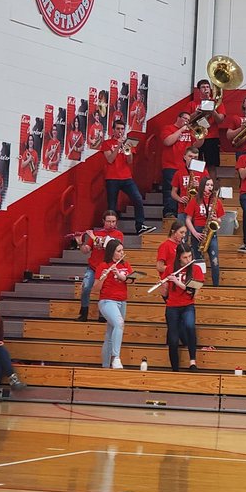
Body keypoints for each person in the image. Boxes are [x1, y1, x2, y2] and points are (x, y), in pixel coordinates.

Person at [102, 120, 154, 235]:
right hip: (112, 178)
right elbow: (110, 159)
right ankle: (111, 230)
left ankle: (140, 226)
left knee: (138, 198)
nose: (120, 131)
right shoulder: (107, 143)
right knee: (112, 205)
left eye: (122, 129)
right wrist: (118, 145)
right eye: (118, 129)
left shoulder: (128, 142)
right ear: (113, 130)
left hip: (126, 177)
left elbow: (130, 161)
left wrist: (128, 149)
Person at [75, 210, 123, 321]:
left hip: (108, 267)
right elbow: (86, 250)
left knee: (105, 291)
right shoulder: (97, 233)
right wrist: (80, 243)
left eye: (113, 221)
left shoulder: (118, 235)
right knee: (86, 287)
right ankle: (84, 312)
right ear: (103, 221)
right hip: (93, 266)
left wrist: (93, 237)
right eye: (108, 221)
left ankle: (103, 315)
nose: (111, 224)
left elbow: (110, 246)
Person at [162, 245, 203, 372]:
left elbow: (192, 291)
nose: (188, 259)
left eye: (190, 256)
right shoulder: (170, 269)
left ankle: (192, 362)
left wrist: (176, 281)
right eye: (185, 257)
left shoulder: (196, 269)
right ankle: (175, 370)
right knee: (173, 340)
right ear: (179, 258)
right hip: (172, 307)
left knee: (190, 326)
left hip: (188, 305)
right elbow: (164, 293)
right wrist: (163, 284)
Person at [96, 239, 133, 369]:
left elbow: (130, 281)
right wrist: (104, 276)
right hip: (107, 301)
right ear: (112, 252)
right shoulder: (103, 265)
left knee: (110, 333)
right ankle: (116, 358)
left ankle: (105, 366)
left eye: (122, 250)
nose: (121, 253)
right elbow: (96, 287)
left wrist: (119, 274)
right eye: (119, 251)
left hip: (122, 301)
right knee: (119, 324)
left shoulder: (126, 265)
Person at [183, 177, 223, 287]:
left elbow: (220, 220)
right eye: (207, 185)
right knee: (198, 261)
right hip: (198, 232)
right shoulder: (195, 200)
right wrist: (194, 233)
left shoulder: (216, 201)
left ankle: (216, 286)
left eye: (211, 185)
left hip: (211, 233)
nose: (210, 187)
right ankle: (198, 285)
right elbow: (188, 219)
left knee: (215, 261)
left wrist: (216, 219)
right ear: (202, 186)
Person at [160, 110, 195, 220]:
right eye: (185, 119)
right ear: (178, 118)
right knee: (170, 190)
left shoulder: (190, 131)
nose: (187, 122)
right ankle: (170, 213)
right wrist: (181, 130)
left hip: (186, 166)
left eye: (189, 120)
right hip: (170, 165)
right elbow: (167, 142)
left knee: (184, 190)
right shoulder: (168, 128)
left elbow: (197, 144)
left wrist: (202, 136)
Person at [190, 78, 226, 172]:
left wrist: (213, 110)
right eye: (203, 87)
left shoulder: (217, 103)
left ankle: (211, 185)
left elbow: (220, 120)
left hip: (212, 137)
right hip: (197, 137)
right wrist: (196, 113)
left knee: (211, 165)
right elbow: (186, 119)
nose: (206, 89)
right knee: (196, 163)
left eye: (207, 87)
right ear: (199, 90)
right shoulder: (192, 104)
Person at [169, 146, 208, 218]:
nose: (192, 159)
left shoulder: (203, 172)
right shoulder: (179, 172)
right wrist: (180, 199)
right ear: (184, 157)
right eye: (190, 156)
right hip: (183, 208)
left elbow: (209, 191)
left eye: (195, 157)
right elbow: (173, 192)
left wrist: (199, 186)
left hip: (198, 209)